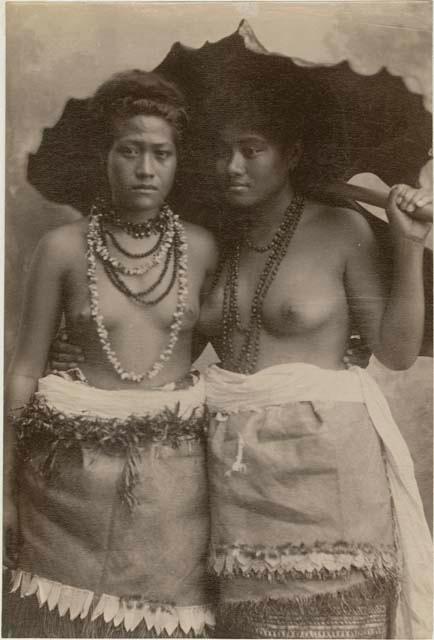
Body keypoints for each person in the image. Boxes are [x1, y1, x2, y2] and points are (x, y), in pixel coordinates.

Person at [196, 75, 432, 639]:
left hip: (326, 482)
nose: (232, 166)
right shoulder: (210, 241)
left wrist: (407, 245)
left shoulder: (342, 228)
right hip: (233, 486)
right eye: (220, 150)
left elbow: (396, 352)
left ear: (292, 154)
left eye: (251, 150)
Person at [4, 70, 219, 638]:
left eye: (161, 153)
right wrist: (2, 487)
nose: (146, 170)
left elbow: (241, 334)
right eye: (129, 151)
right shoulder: (62, 248)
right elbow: (24, 367)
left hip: (173, 486)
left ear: (178, 160)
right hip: (68, 479)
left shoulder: (201, 248)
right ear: (104, 155)